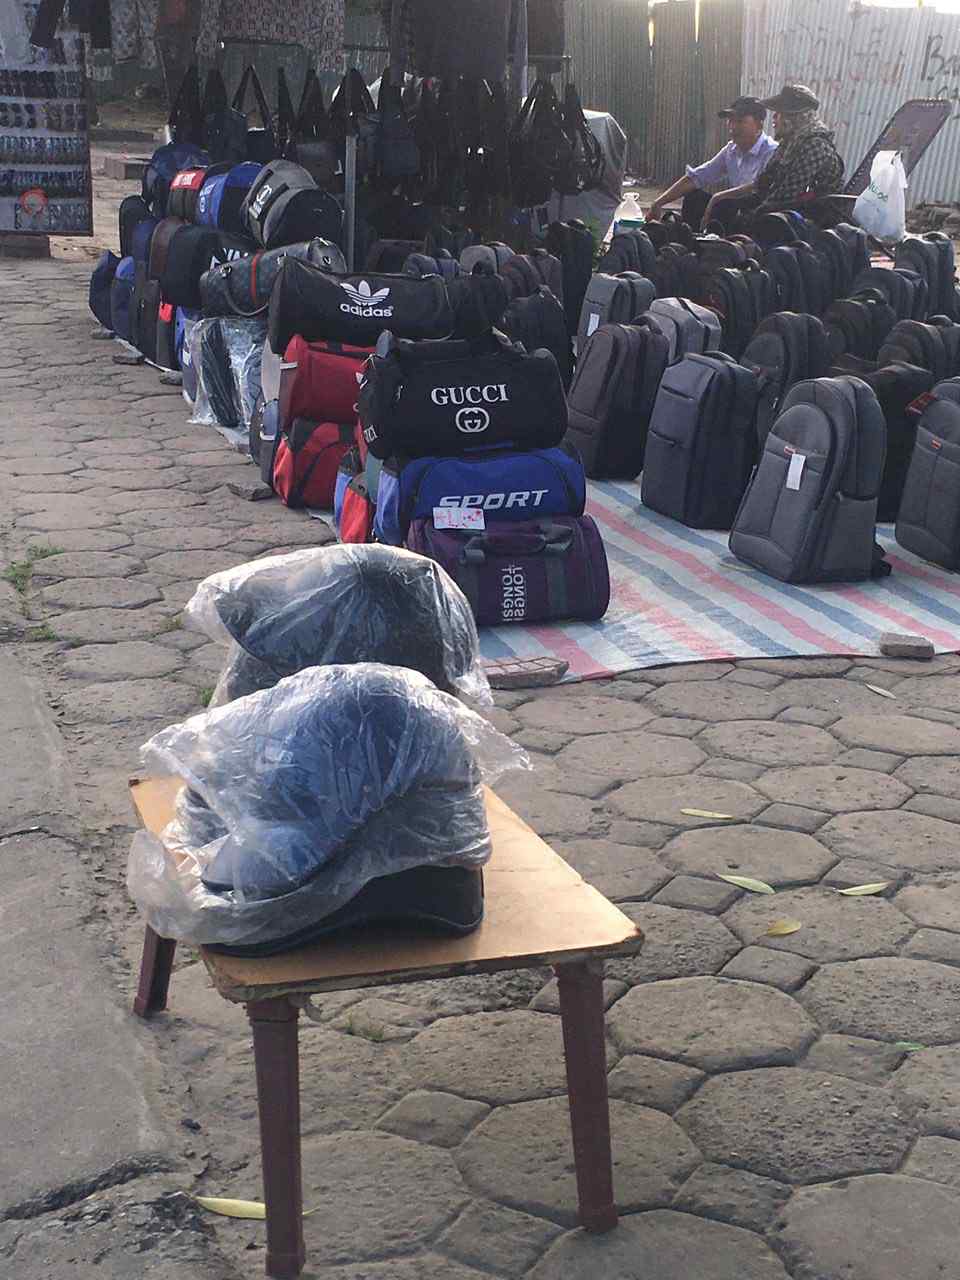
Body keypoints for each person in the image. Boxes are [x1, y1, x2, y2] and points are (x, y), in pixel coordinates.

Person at [703, 84, 845, 224]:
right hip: (789, 209)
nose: (774, 118)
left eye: (779, 113)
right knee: (725, 208)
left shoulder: (815, 145)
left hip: (817, 219)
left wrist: (751, 215)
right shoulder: (788, 143)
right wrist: (728, 202)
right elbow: (764, 182)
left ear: (793, 118)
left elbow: (787, 194)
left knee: (756, 222)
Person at [647, 96, 777, 232]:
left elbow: (758, 187)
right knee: (694, 197)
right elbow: (697, 177)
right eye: (730, 121)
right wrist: (658, 203)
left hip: (757, 216)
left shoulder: (772, 151)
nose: (733, 127)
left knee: (724, 204)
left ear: (759, 125)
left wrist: (718, 197)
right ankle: (693, 240)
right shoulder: (731, 150)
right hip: (733, 210)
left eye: (740, 121)